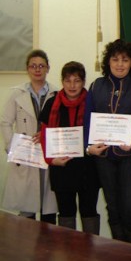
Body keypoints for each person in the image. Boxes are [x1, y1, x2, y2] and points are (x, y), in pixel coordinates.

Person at [84, 39, 131, 245]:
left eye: (125, 60)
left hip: (130, 157)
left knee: (129, 207)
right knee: (113, 208)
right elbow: (88, 119)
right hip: (103, 157)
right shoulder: (96, 85)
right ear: (108, 61)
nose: (120, 64)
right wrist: (89, 147)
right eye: (115, 59)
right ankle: (118, 252)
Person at [39, 61, 100, 233]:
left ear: (83, 82)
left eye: (77, 81)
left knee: (89, 212)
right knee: (66, 212)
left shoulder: (92, 102)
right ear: (62, 82)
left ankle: (90, 254)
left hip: (88, 169)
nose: (72, 85)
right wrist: (51, 160)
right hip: (61, 168)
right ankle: (68, 254)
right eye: (68, 81)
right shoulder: (52, 103)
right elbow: (44, 135)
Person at [0, 49, 58, 223]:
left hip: (48, 154)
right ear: (28, 69)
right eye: (33, 66)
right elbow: (5, 122)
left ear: (48, 68)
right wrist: (13, 147)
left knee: (48, 208)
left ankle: (48, 247)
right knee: (27, 210)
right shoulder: (17, 94)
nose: (37, 69)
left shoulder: (56, 94)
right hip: (25, 156)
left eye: (41, 66)